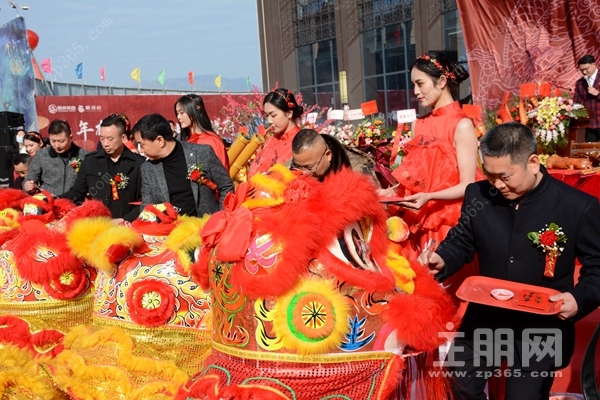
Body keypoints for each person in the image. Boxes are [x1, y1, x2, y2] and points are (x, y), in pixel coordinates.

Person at [421, 122, 600, 400]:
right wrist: (441, 259)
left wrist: (578, 299)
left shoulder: (576, 206)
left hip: (541, 328)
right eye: (490, 175)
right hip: (487, 320)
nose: (497, 185)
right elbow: (462, 240)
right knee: (457, 384)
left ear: (532, 163)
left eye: (504, 176)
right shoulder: (478, 195)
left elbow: (598, 269)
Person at [379, 52, 482, 259]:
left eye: (420, 83)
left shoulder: (461, 125)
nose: (415, 92)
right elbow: (416, 179)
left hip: (448, 222)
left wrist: (429, 196)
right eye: (413, 85)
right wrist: (389, 192)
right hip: (416, 219)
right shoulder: (418, 124)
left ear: (442, 81)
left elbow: (467, 185)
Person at [132, 113, 234, 217]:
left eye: (142, 144)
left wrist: (221, 216)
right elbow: (147, 206)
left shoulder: (202, 153)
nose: (141, 150)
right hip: (172, 231)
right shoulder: (147, 168)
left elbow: (226, 186)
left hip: (208, 227)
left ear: (160, 140)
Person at [59, 113, 144, 222]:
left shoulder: (138, 164)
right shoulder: (90, 161)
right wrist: (55, 199)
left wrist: (125, 219)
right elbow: (77, 192)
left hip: (126, 226)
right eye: (102, 139)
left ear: (123, 137)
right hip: (96, 224)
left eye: (110, 139)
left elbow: (146, 201)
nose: (105, 143)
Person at [24, 119, 88, 196]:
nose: (57, 146)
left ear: (71, 137)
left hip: (75, 203)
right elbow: (29, 180)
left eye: (61, 141)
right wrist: (29, 187)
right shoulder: (41, 155)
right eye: (53, 141)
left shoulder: (84, 156)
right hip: (48, 202)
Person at [249, 88, 303, 176]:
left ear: (289, 113)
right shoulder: (270, 140)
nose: (269, 120)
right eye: (267, 115)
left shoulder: (301, 143)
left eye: (273, 115)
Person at [174, 94, 229, 169]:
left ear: (194, 111)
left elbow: (222, 173)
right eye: (177, 113)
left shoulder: (212, 141)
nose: (178, 117)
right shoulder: (186, 141)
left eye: (182, 112)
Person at [573, 54, 600, 142]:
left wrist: (598, 94)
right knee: (590, 151)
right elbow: (576, 101)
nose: (584, 72)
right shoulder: (580, 83)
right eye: (582, 70)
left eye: (586, 69)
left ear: (594, 65)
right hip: (590, 124)